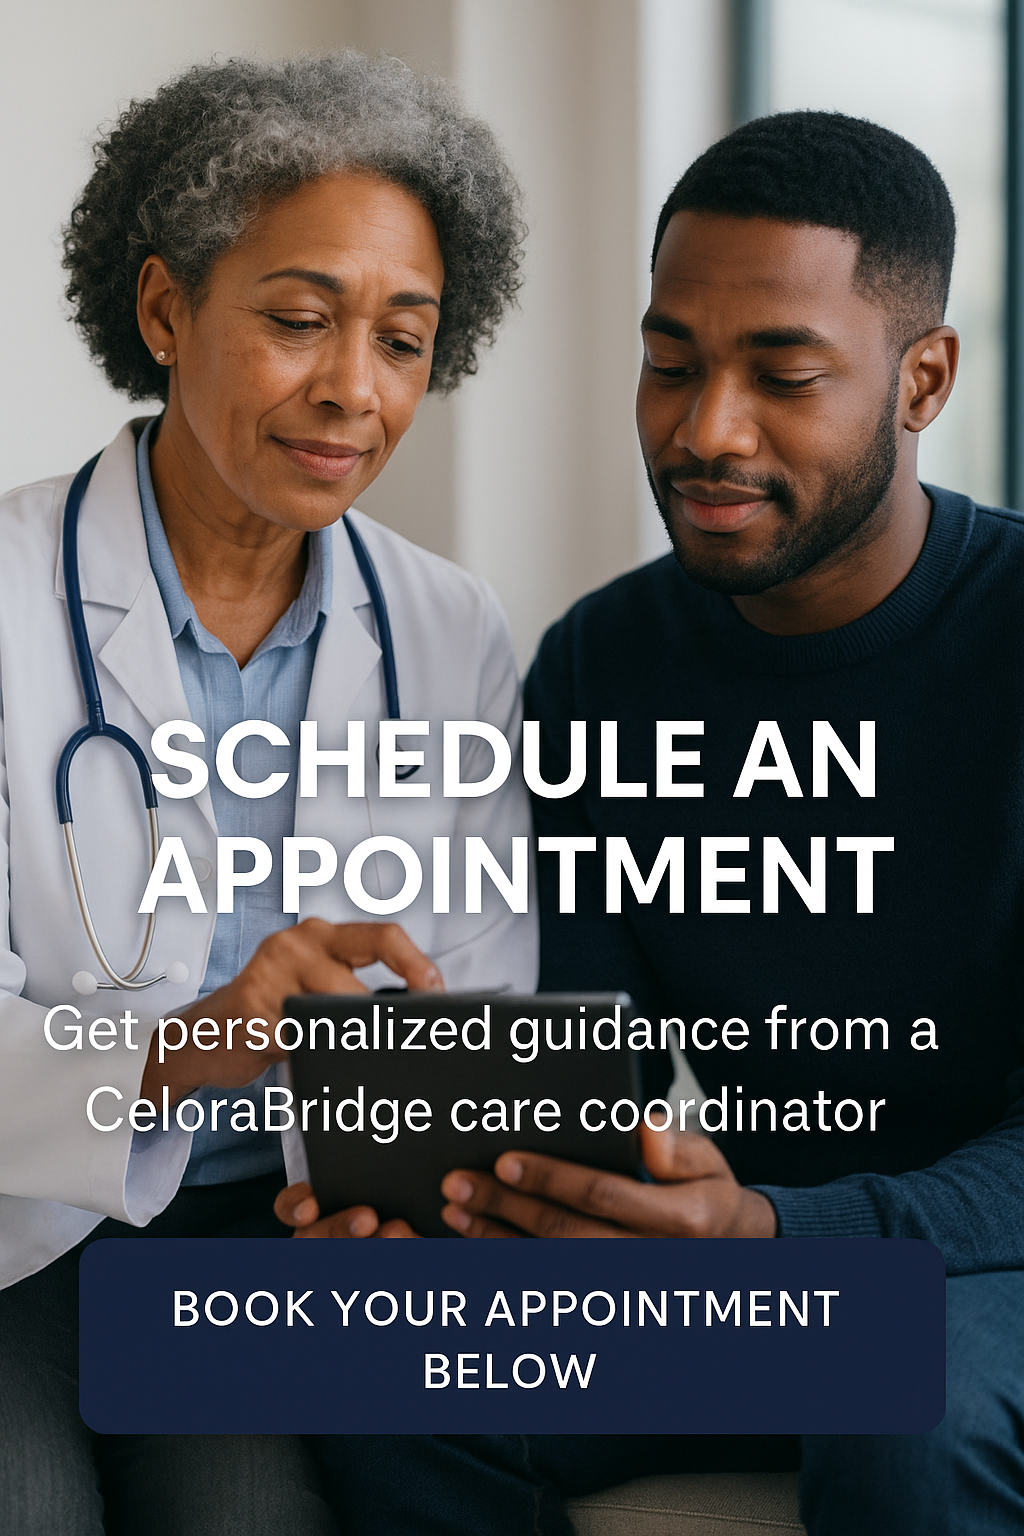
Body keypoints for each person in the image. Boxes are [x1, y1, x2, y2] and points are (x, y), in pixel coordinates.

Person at [288, 113, 1024, 1534]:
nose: (704, 431)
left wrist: (776, 1231)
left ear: (921, 377)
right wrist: (452, 1179)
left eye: (782, 376)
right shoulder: (603, 667)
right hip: (756, 1269)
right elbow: (591, 1056)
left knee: (899, 1418)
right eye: (670, 363)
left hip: (979, 1275)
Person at [0, 52, 536, 1535]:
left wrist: (411, 1186)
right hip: (20, 1228)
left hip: (267, 1239)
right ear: (165, 310)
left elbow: (475, 998)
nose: (353, 393)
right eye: (299, 321)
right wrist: (189, 1047)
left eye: (405, 342)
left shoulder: (446, 630)